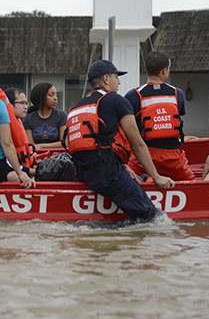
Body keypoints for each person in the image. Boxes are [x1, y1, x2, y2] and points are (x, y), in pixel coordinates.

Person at [66, 59, 174, 222]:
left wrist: (122, 166)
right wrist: (156, 176)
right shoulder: (116, 100)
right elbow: (137, 144)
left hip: (84, 174)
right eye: (116, 77)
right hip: (107, 174)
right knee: (153, 217)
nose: (119, 82)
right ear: (106, 79)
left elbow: (90, 144)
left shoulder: (76, 107)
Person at [125, 51, 195, 180]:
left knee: (130, 178)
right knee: (191, 184)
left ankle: (147, 181)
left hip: (143, 158)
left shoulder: (133, 95)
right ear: (164, 71)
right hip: (173, 158)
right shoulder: (177, 93)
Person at [24, 82, 67, 149]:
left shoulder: (61, 116)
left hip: (59, 157)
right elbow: (31, 146)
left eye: (56, 95)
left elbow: (64, 143)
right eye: (51, 95)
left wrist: (41, 146)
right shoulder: (28, 119)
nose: (55, 98)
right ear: (42, 97)